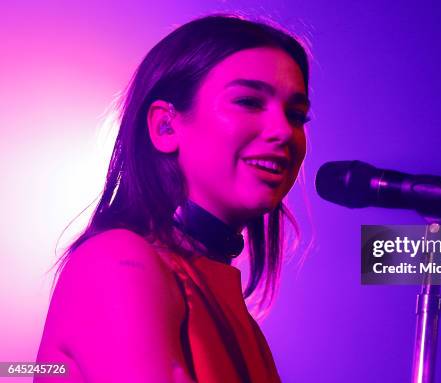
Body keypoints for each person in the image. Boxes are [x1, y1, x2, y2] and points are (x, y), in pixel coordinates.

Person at [35, 14, 311, 382]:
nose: (282, 131)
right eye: (248, 101)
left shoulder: (234, 311)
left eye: (296, 115)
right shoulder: (117, 260)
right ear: (166, 126)